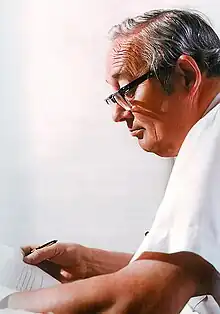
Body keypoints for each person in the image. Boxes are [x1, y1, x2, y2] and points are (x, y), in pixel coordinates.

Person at [6, 8, 220, 313]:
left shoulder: (212, 133)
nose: (118, 113)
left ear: (186, 76)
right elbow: (201, 273)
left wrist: (8, 302)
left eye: (127, 89)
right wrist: (88, 262)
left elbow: (148, 296)